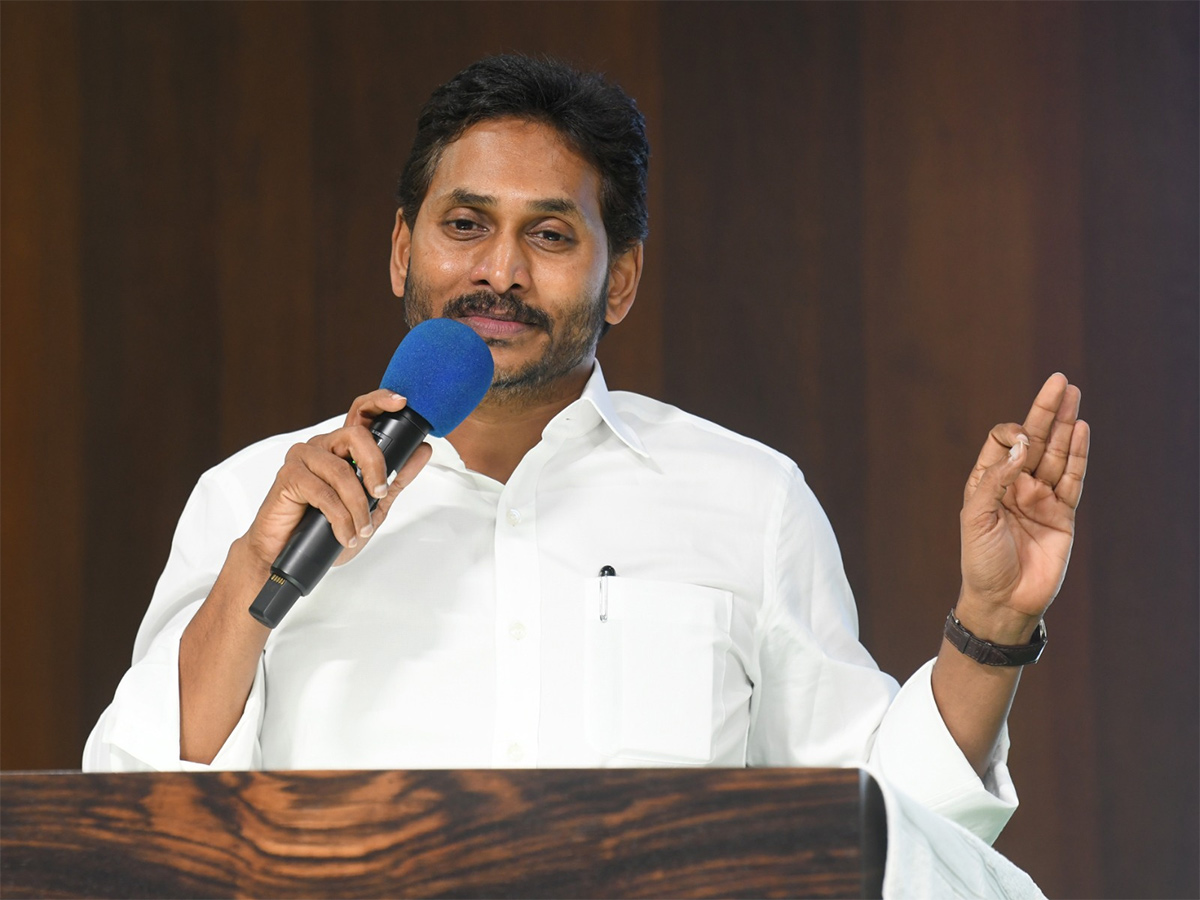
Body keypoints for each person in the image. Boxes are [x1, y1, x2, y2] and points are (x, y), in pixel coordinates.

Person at [84, 54, 1089, 846]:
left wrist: (991, 623)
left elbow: (887, 829)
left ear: (621, 279)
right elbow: (133, 813)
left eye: (552, 235)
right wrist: (250, 584)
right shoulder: (253, 502)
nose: (500, 271)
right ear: (402, 249)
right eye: (465, 224)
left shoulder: (748, 500)